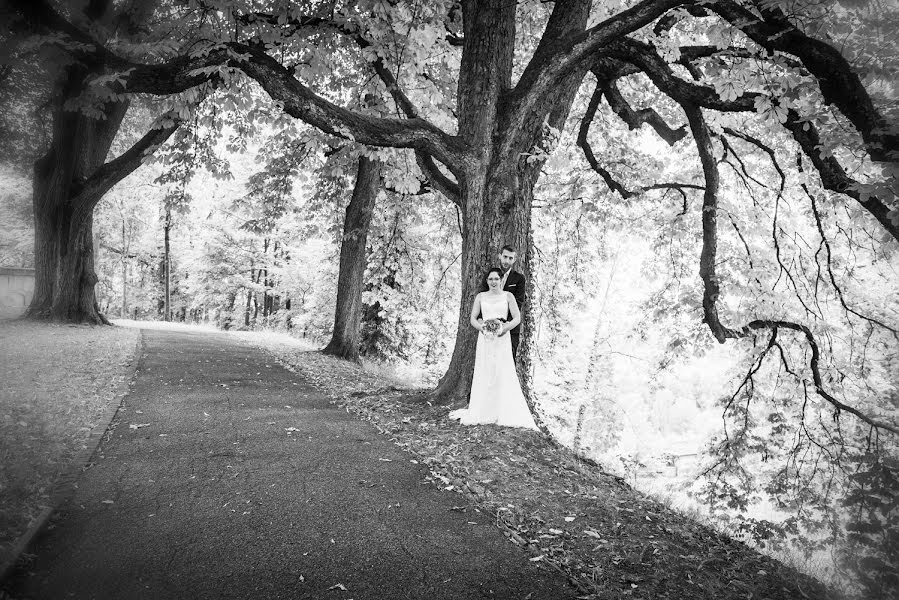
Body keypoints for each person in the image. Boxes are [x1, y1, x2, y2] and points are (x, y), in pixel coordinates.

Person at [449, 268, 538, 429]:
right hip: (485, 340)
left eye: (496, 279)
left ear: (501, 280)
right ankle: (483, 408)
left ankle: (501, 409)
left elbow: (517, 318)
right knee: (485, 370)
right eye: (490, 279)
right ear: (487, 281)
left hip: (502, 339)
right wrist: (482, 328)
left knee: (501, 370)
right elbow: (473, 319)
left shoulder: (508, 296)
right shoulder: (481, 297)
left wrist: (504, 328)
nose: (493, 282)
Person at [480, 245, 525, 360]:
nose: (507, 261)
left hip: (510, 328)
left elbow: (519, 302)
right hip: (489, 327)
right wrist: (484, 321)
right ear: (500, 256)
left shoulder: (519, 279)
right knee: (489, 361)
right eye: (505, 257)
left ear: (514, 260)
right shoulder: (491, 276)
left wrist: (505, 324)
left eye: (510, 258)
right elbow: (483, 298)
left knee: (507, 362)